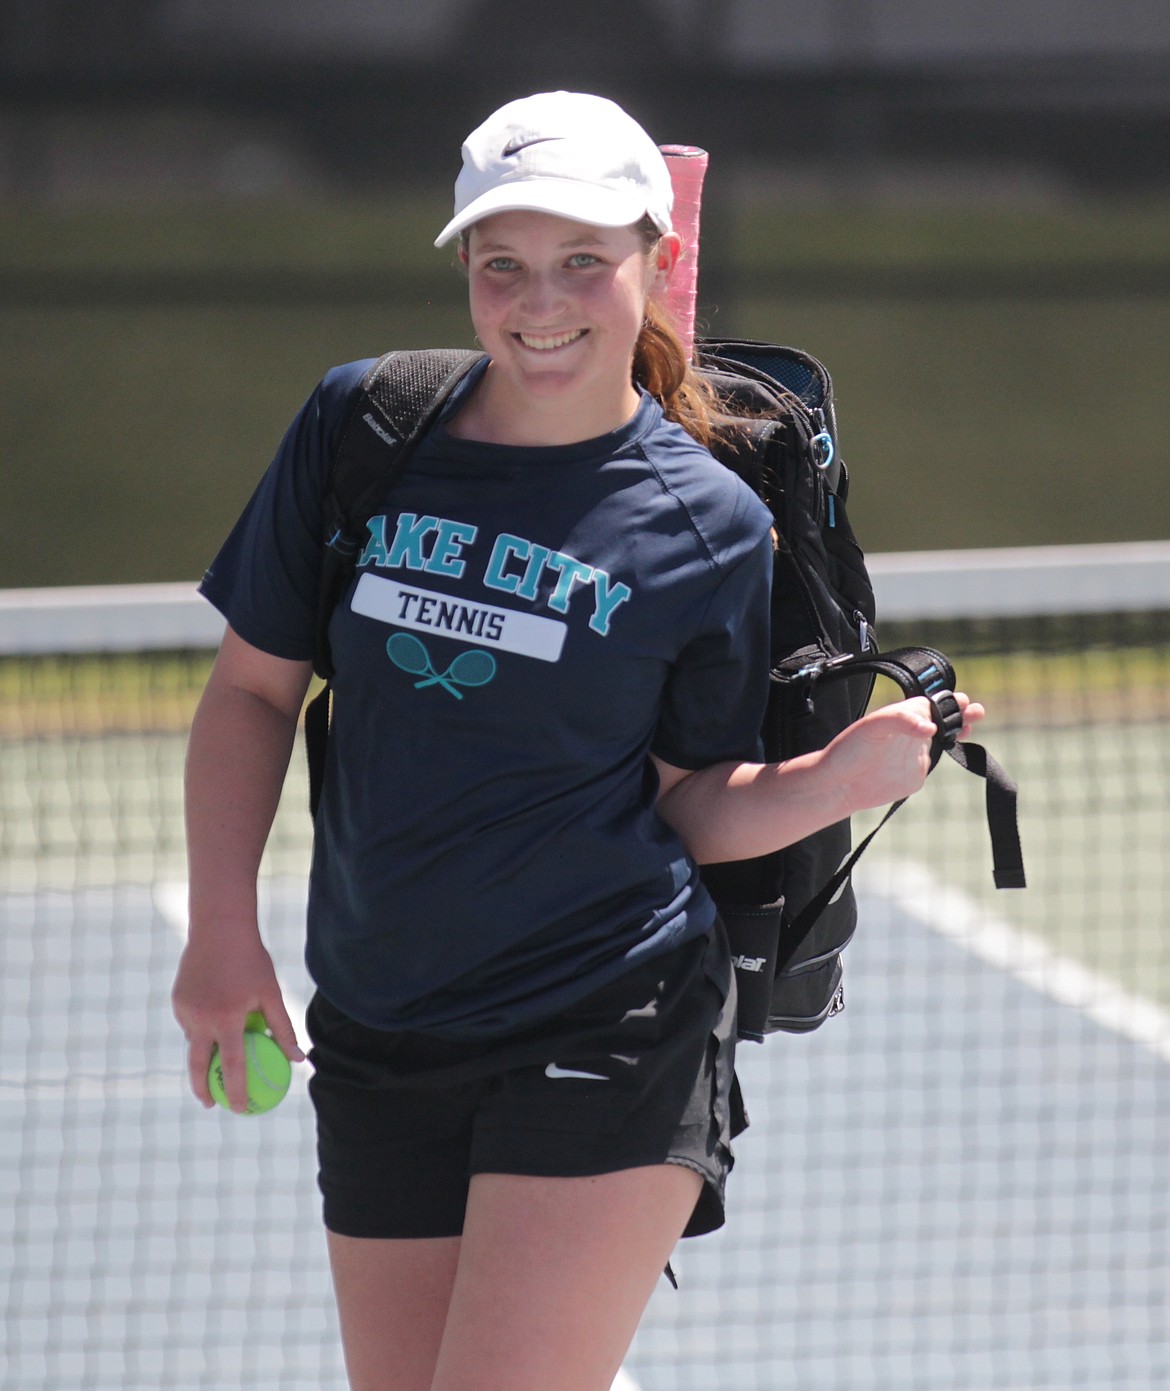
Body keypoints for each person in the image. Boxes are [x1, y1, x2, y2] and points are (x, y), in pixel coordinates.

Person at [172, 91, 983, 1391]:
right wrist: (222, 935)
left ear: (652, 265)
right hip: (380, 1027)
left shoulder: (706, 521)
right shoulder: (365, 431)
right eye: (502, 265)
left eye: (579, 263)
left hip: (606, 1024)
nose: (537, 303)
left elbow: (687, 801)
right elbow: (252, 694)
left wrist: (836, 779)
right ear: (464, 269)